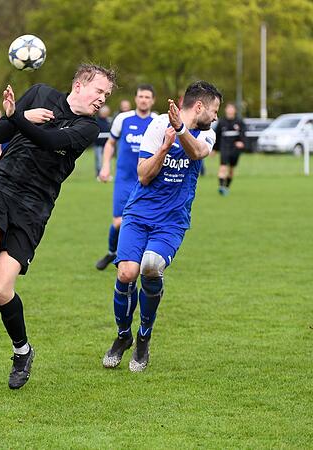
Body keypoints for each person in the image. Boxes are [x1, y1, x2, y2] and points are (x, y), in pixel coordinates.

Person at [0, 64, 116, 389]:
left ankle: (23, 352)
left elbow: (49, 141)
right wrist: (13, 116)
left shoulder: (88, 128)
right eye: (99, 91)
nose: (102, 99)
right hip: (2, 187)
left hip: (34, 207)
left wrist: (20, 117)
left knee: (1, 288)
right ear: (79, 85)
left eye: (106, 95)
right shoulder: (41, 93)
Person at [101, 81, 220, 373]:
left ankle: (144, 337)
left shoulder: (207, 133)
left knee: (151, 266)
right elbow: (143, 175)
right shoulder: (156, 126)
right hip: (140, 212)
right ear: (200, 106)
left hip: (172, 220)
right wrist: (165, 147)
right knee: (127, 272)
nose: (216, 117)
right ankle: (122, 336)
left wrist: (180, 132)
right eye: (214, 110)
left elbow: (197, 154)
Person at [96, 85, 157, 270]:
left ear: (152, 100)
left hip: (147, 181)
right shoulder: (123, 119)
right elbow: (110, 143)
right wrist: (105, 166)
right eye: (141, 96)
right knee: (119, 222)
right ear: (136, 98)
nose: (144, 100)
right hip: (124, 179)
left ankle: (138, 257)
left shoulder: (157, 121)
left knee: (147, 221)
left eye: (147, 97)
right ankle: (112, 252)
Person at [214, 103, 246, 196]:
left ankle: (227, 187)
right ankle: (221, 187)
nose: (230, 110)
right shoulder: (222, 122)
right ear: (226, 110)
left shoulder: (239, 122)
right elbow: (217, 136)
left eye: (232, 108)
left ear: (235, 110)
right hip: (225, 148)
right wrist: (214, 149)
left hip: (235, 149)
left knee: (231, 170)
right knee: (223, 167)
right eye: (229, 108)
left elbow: (243, 134)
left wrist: (241, 142)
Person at [93, 105, 112, 176]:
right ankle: (99, 174)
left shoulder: (109, 121)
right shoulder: (96, 121)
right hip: (98, 144)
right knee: (99, 160)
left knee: (106, 160)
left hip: (107, 144)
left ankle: (106, 173)